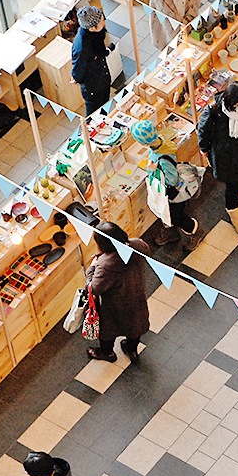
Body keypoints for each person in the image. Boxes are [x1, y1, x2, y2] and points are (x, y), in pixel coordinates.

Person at [129, 120, 203, 251]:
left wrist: (152, 169)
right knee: (168, 214)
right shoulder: (161, 142)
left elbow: (171, 179)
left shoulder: (162, 159)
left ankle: (194, 230)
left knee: (176, 216)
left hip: (173, 194)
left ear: (143, 143)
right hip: (170, 193)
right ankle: (171, 231)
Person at [197, 81, 238, 236]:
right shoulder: (214, 110)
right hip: (223, 155)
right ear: (232, 101)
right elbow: (203, 131)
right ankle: (235, 214)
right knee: (231, 185)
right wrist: (204, 149)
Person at [85, 222, 151, 363]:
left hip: (114, 305)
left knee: (108, 330)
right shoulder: (138, 245)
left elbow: (93, 289)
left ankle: (107, 353)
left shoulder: (105, 265)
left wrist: (91, 268)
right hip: (136, 296)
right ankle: (132, 349)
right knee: (135, 326)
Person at [71, 6, 114, 116]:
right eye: (101, 21)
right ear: (91, 28)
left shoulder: (97, 34)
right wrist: (76, 77)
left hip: (102, 76)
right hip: (92, 86)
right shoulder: (81, 47)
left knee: (105, 107)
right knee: (93, 115)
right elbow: (78, 69)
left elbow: (100, 51)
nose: (104, 23)